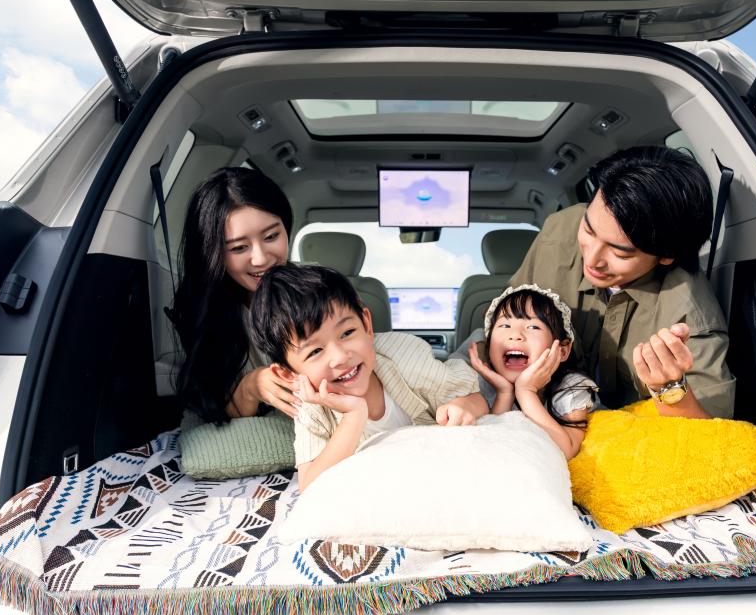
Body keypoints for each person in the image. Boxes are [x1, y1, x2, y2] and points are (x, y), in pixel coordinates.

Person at [461, 146, 734, 419]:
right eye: (588, 230)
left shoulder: (689, 315)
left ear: (666, 256)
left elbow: (712, 429)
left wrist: (669, 389)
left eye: (620, 253)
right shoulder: (560, 230)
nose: (591, 259)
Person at [249, 263, 483, 490]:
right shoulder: (310, 406)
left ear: (367, 325)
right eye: (315, 351)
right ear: (288, 373)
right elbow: (311, 485)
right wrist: (354, 415)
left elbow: (477, 396)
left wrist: (465, 406)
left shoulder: (407, 358)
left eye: (347, 333)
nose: (341, 357)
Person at [167, 167, 299, 424]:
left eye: (271, 236)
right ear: (213, 253)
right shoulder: (208, 314)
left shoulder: (321, 291)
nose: (261, 258)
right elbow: (213, 405)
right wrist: (252, 386)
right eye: (239, 248)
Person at [466, 284, 599, 459]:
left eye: (533, 327)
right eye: (505, 325)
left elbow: (566, 451)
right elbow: (493, 447)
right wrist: (504, 394)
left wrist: (526, 392)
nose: (515, 335)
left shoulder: (572, 387)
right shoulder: (484, 384)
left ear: (562, 351)